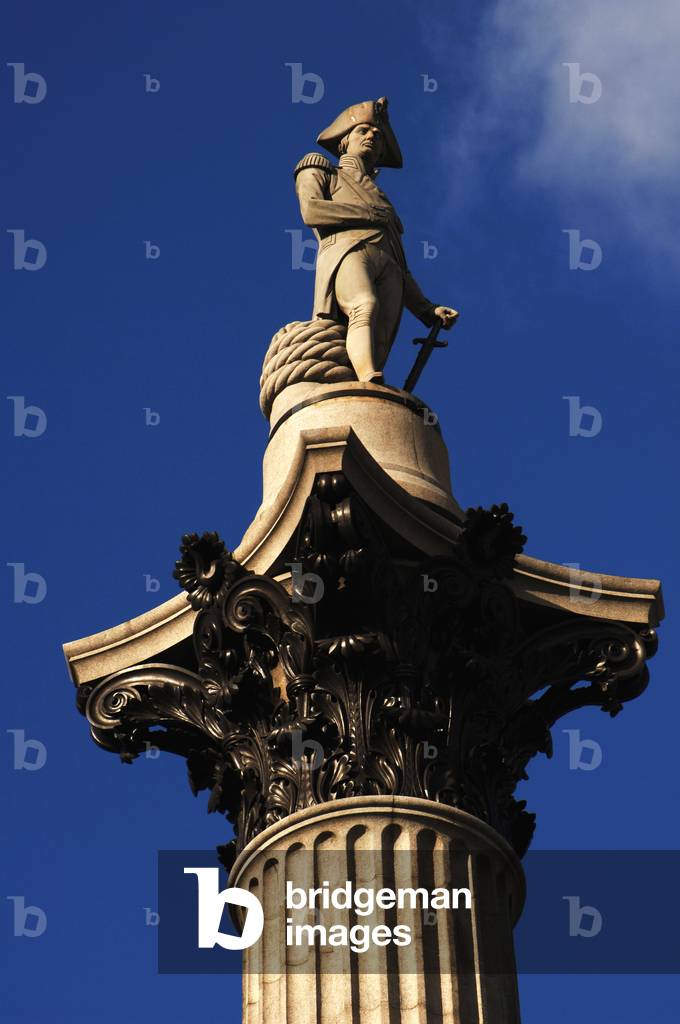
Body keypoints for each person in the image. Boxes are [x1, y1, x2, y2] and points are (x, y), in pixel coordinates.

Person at [294, 96, 458, 384]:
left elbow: (401, 263)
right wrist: (369, 213)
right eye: (363, 131)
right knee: (363, 304)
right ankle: (367, 377)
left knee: (380, 337)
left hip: (389, 268)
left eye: (378, 136)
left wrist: (426, 309)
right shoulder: (322, 169)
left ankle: (365, 385)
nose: (371, 136)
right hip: (348, 250)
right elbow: (312, 211)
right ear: (344, 140)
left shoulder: (385, 203)